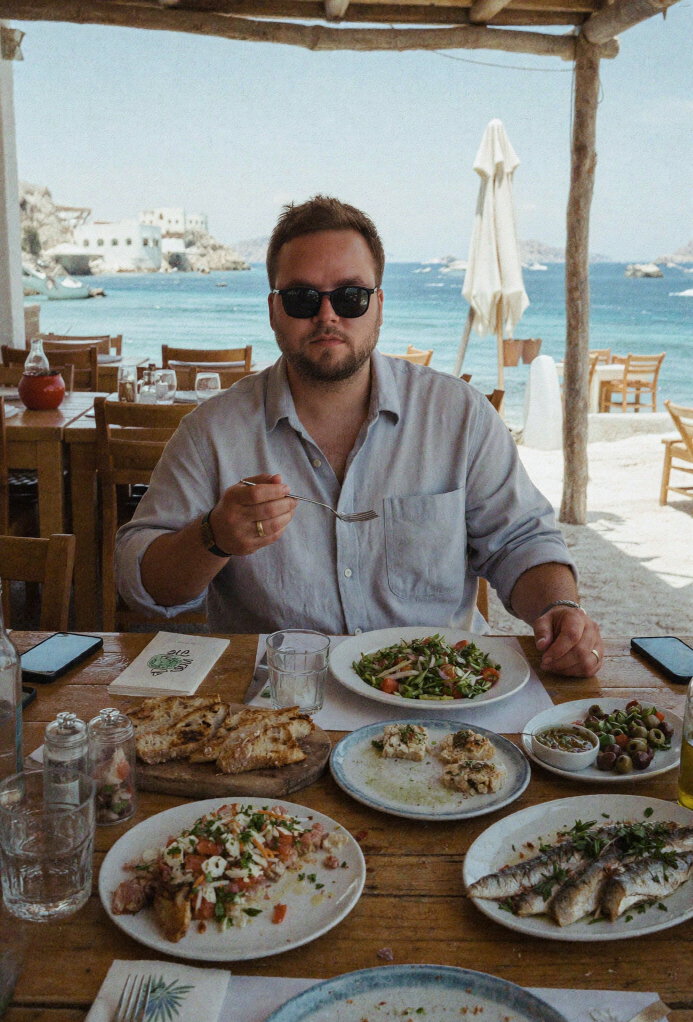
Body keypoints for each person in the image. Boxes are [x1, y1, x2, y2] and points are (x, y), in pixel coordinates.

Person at [115, 195, 602, 677]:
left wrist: (559, 607)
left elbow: (521, 540)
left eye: (350, 297)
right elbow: (141, 582)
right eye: (303, 298)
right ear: (273, 309)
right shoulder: (212, 432)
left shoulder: (458, 416)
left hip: (439, 694)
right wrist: (213, 538)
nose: (327, 316)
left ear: (379, 305)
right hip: (281, 702)